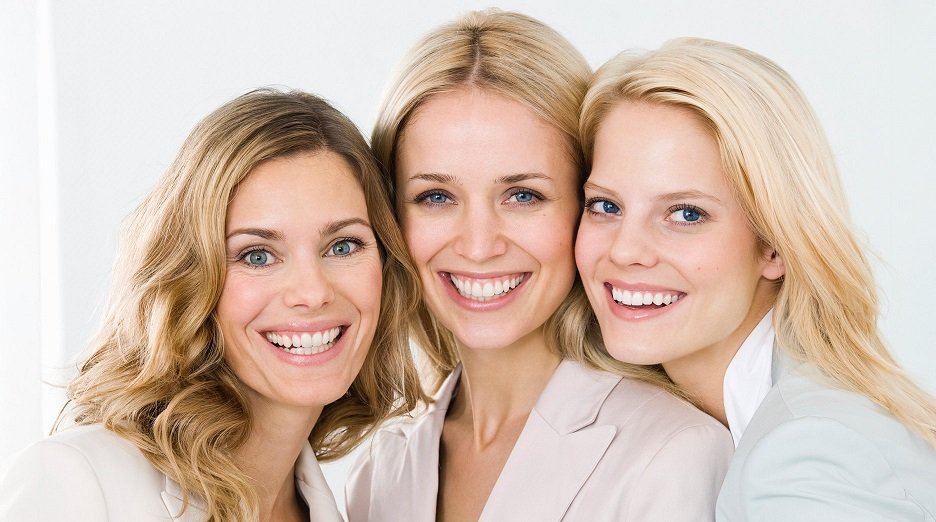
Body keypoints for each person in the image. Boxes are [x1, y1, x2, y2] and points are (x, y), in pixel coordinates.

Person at [345, 11, 733, 521]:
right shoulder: (378, 470)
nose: (479, 245)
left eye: (523, 195)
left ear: (586, 205)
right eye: (436, 196)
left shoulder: (674, 453)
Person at [0, 89, 424, 522]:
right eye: (257, 255)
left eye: (343, 245)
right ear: (191, 277)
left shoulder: (344, 506)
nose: (313, 293)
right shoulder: (78, 481)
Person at [576, 37, 936, 520]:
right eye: (606, 206)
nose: (624, 250)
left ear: (774, 244)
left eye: (685, 213)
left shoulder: (804, 461)